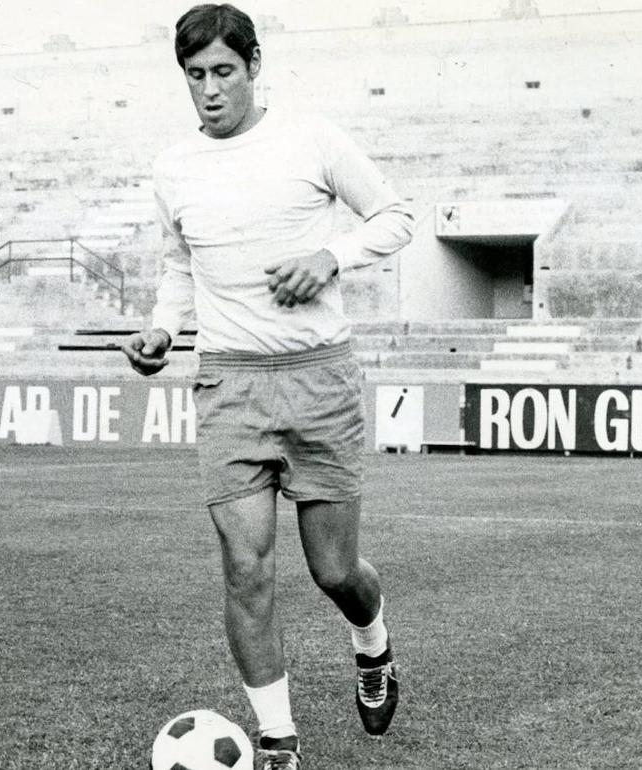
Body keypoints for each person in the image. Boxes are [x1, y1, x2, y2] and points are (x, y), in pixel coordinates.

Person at [121, 4, 414, 768]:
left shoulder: (310, 139)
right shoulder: (173, 168)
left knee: (334, 571)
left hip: (319, 379)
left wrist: (331, 256)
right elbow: (180, 265)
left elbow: (396, 217)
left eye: (223, 72)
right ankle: (277, 743)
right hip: (230, 386)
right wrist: (161, 328)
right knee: (246, 569)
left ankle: (373, 644)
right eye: (195, 76)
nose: (210, 90)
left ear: (254, 66)